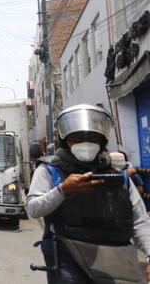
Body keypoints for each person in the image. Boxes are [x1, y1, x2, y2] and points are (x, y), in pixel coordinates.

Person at [26, 104, 150, 283]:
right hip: (67, 255)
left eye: (92, 138)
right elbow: (33, 209)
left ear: (102, 141)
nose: (85, 143)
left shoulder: (118, 172)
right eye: (76, 138)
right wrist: (62, 190)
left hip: (115, 256)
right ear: (65, 140)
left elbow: (139, 220)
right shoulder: (50, 169)